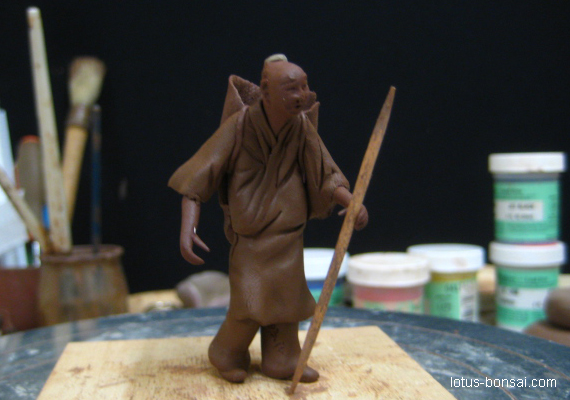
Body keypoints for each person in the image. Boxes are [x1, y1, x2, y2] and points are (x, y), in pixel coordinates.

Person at [169, 54, 368, 384]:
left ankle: (282, 360)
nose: (302, 95)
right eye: (291, 89)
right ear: (265, 90)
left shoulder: (301, 127)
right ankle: (225, 353)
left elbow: (325, 173)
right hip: (251, 237)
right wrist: (187, 227)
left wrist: (352, 201)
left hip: (288, 235)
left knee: (287, 305)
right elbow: (201, 174)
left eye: (304, 86)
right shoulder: (240, 126)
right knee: (249, 306)